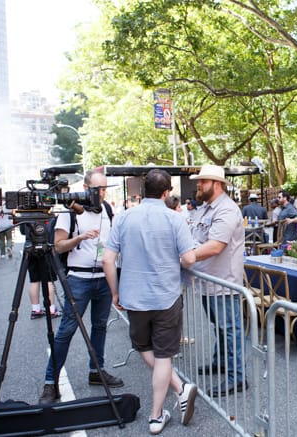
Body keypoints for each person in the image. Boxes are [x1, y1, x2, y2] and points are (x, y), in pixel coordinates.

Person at [102, 169, 197, 433]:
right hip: (166, 295)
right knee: (164, 354)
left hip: (133, 296)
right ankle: (158, 414)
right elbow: (189, 259)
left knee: (144, 346)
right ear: (167, 193)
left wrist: (115, 292)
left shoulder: (123, 218)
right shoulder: (174, 219)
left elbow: (107, 259)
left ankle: (180, 391)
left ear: (143, 191)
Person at [38, 170, 124, 405]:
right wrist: (80, 238)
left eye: (105, 188)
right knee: (66, 330)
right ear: (86, 188)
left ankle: (97, 371)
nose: (102, 193)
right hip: (79, 279)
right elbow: (58, 246)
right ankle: (50, 382)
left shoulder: (107, 209)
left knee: (100, 327)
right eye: (98, 189)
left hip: (104, 278)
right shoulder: (69, 211)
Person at [187, 164, 247, 397]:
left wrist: (188, 256)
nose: (198, 185)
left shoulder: (227, 210)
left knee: (230, 329)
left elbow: (215, 245)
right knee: (220, 327)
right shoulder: (207, 208)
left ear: (217, 184)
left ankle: (237, 377)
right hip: (209, 280)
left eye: (203, 181)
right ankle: (220, 362)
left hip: (223, 283)